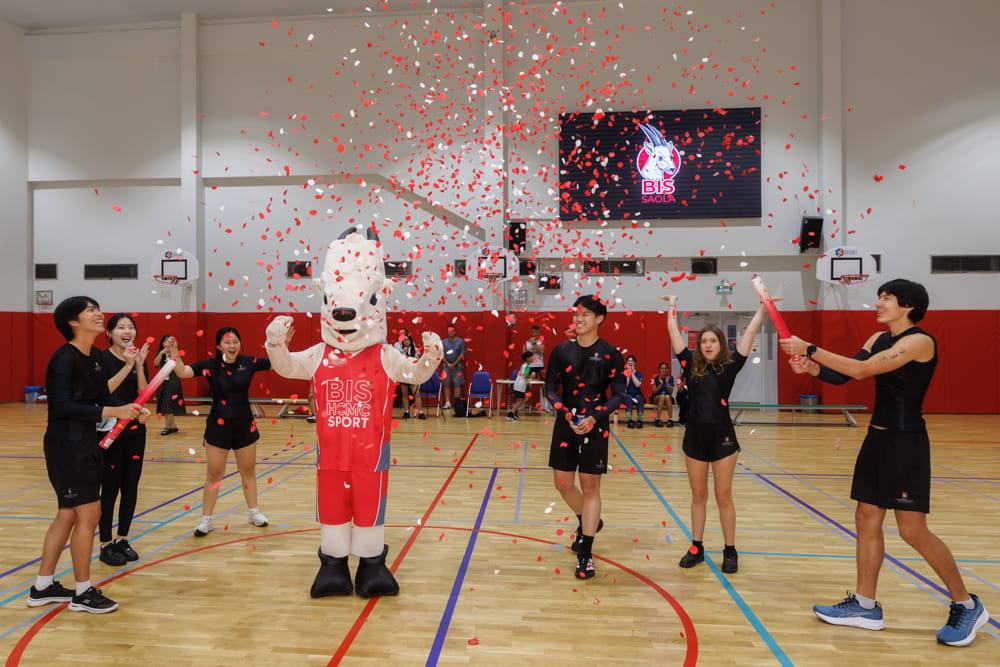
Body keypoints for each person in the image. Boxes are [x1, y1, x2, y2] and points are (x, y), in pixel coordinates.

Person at [780, 278, 989, 646]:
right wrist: (811, 368)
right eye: (879, 297)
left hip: (906, 442)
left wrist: (810, 348)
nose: (878, 303)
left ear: (908, 306)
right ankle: (864, 605)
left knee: (912, 530)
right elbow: (844, 373)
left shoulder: (919, 341)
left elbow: (864, 371)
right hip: (876, 438)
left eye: (886, 298)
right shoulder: (877, 340)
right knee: (866, 518)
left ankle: (966, 603)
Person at [26, 296, 147, 614]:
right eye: (91, 311)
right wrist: (114, 408)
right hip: (66, 446)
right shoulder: (63, 359)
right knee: (89, 516)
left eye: (98, 308)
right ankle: (82, 593)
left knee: (67, 514)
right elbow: (62, 406)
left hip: (86, 445)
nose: (99, 313)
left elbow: (104, 396)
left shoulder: (93, 356)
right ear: (73, 322)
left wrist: (132, 411)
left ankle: (43, 586)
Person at [666, 295, 766, 575]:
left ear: (721, 345)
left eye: (713, 341)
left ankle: (730, 550)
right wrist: (673, 304)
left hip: (723, 439)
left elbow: (750, 332)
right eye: (705, 341)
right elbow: (673, 331)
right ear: (700, 346)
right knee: (698, 495)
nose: (708, 345)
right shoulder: (689, 363)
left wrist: (763, 305)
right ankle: (696, 547)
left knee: (723, 495)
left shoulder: (731, 365)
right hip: (695, 439)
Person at [545, 295, 626, 580]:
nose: (579, 319)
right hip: (566, 423)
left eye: (586, 315)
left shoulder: (610, 353)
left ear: (599, 318)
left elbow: (618, 393)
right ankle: (589, 521)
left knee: (591, 488)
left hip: (596, 425)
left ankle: (586, 553)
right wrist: (566, 413)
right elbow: (551, 389)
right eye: (576, 314)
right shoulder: (560, 351)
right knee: (562, 484)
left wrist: (594, 417)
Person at [170, 327, 272, 537]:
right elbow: (183, 372)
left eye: (235, 342)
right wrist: (174, 352)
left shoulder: (249, 363)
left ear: (240, 344)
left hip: (245, 424)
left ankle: (254, 513)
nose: (232, 346)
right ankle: (206, 519)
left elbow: (279, 363)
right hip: (218, 426)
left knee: (248, 471)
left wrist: (280, 342)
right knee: (214, 473)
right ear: (218, 346)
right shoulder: (210, 365)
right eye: (227, 343)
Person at [98, 313, 151, 567]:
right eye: (120, 327)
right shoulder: (101, 359)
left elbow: (143, 393)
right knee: (109, 489)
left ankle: (122, 538)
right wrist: (128, 365)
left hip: (135, 431)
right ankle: (105, 544)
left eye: (131, 327)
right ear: (109, 333)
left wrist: (139, 365)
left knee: (131, 486)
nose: (127, 331)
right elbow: (103, 391)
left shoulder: (137, 358)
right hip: (109, 433)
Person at [154, 334, 185, 435]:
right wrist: (161, 353)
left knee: (169, 404)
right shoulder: (161, 353)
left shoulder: (176, 353)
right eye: (165, 341)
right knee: (164, 404)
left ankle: (167, 427)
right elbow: (155, 363)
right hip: (163, 382)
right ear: (162, 343)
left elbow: (180, 366)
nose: (167, 343)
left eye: (169, 341)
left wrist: (172, 352)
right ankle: (173, 426)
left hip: (173, 382)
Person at [395, 331, 426, 419]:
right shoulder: (400, 351)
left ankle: (420, 412)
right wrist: (402, 353)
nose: (406, 342)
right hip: (403, 375)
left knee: (416, 393)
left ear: (411, 341)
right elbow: (397, 361)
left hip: (412, 375)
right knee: (404, 394)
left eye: (407, 340)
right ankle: (406, 412)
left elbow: (416, 361)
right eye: (404, 340)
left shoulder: (415, 350)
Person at [440, 325, 466, 409]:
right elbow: (441, 355)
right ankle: (447, 402)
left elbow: (462, 354)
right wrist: (448, 363)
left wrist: (454, 363)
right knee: (446, 384)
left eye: (452, 330)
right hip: (446, 366)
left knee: (457, 384)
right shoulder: (443, 342)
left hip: (457, 366)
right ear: (447, 332)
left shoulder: (460, 341)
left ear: (455, 331)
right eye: (449, 330)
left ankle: (456, 402)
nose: (451, 332)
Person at [506, 350, 534, 422]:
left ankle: (514, 412)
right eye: (531, 357)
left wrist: (527, 382)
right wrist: (531, 376)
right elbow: (525, 376)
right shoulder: (527, 366)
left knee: (523, 400)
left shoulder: (524, 365)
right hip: (520, 386)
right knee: (521, 400)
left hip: (520, 385)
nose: (533, 358)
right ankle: (510, 414)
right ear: (527, 358)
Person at [650, 362, 676, 427]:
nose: (664, 370)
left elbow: (670, 392)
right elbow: (654, 391)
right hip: (656, 397)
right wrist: (660, 384)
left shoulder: (670, 378)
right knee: (662, 397)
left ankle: (670, 419)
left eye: (665, 368)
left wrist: (667, 383)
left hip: (667, 397)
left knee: (667, 396)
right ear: (659, 370)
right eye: (662, 368)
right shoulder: (655, 378)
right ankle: (658, 419)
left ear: (667, 369)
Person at [623, 355, 645, 428]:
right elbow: (625, 385)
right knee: (628, 398)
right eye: (628, 361)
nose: (630, 362)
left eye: (632, 361)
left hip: (637, 394)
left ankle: (639, 420)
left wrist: (632, 373)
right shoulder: (623, 374)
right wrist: (628, 373)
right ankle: (629, 420)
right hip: (628, 394)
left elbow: (638, 385)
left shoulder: (639, 374)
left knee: (639, 398)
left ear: (635, 363)